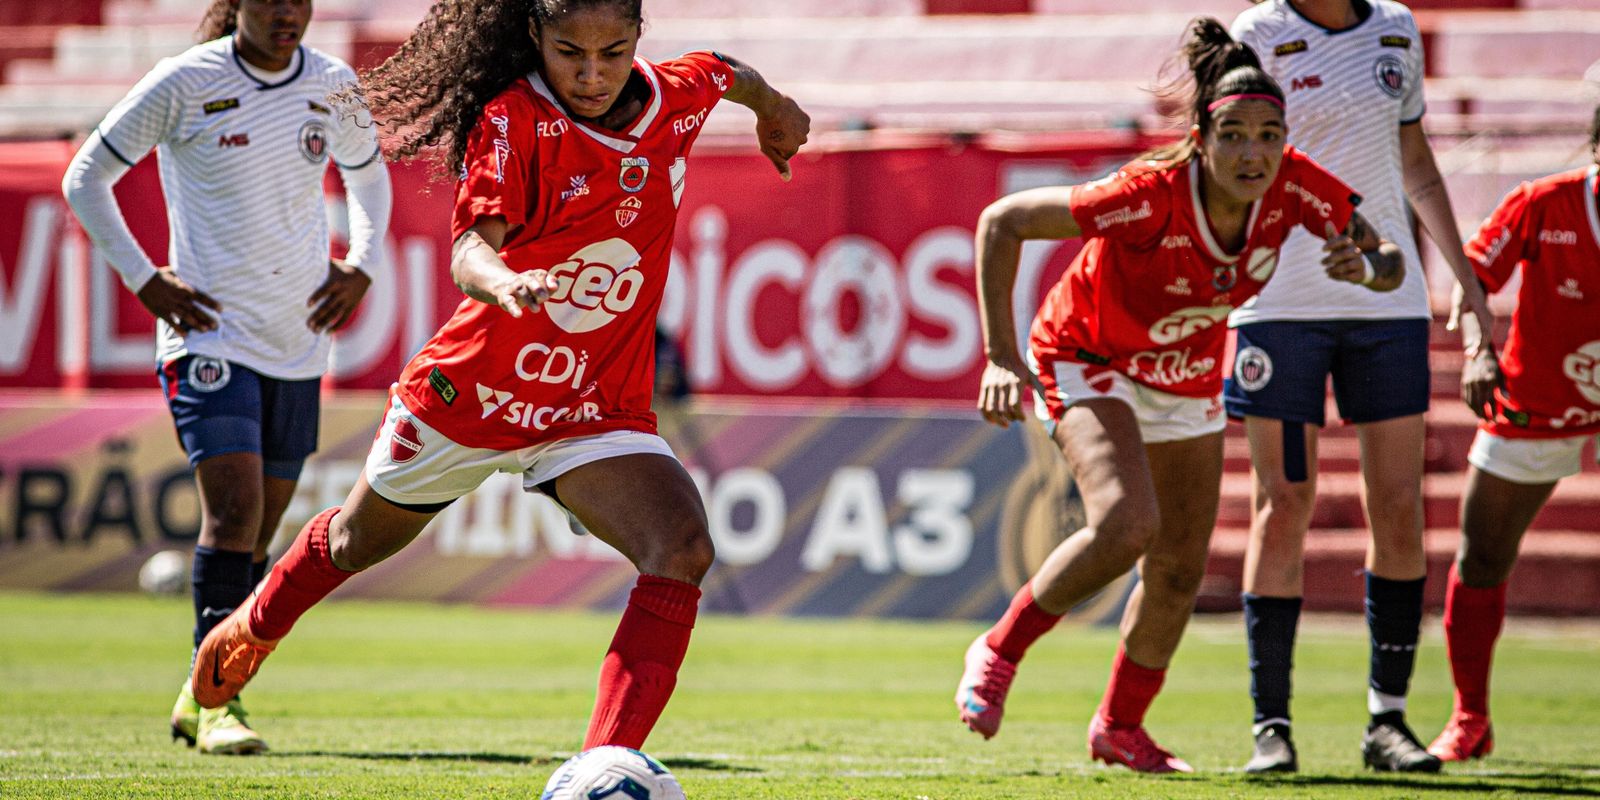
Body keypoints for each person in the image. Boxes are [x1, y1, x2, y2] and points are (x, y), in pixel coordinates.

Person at [185, 0, 809, 753]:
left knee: (682, 548)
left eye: (612, 52)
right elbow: (469, 249)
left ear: (638, 37)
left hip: (589, 404)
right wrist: (504, 281)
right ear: (536, 39)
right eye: (568, 51)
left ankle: (602, 767)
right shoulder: (514, 119)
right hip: (473, 396)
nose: (590, 73)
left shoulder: (678, 93)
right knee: (352, 543)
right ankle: (237, 642)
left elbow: (729, 76)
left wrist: (776, 110)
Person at [955, 16, 1403, 774]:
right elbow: (1003, 222)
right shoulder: (1146, 194)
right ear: (1201, 138)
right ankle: (998, 651)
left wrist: (1367, 269)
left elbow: (1388, 259)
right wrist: (1000, 358)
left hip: (1185, 371)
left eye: (1269, 133)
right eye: (1233, 134)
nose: (1253, 152)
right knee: (1129, 524)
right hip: (1086, 353)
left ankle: (1118, 727)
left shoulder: (1298, 186)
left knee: (1179, 567)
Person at [60, 0, 391, 755]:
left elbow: (370, 181)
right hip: (208, 335)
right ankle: (221, 705)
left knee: (258, 537)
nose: (288, 13)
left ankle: (196, 689)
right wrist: (145, 280)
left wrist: (363, 265)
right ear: (236, 4)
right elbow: (88, 177)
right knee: (234, 513)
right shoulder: (184, 82)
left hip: (298, 340)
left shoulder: (334, 84)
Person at [1223, 0, 1503, 774]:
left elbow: (1415, 164)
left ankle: (1388, 720)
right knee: (1283, 506)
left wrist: (1468, 289)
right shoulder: (1258, 34)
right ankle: (1270, 727)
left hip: (1388, 302)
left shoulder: (1396, 27)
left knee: (1399, 505)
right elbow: (1224, 164)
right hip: (1281, 304)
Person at [1425, 108, 1600, 763]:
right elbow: (1471, 281)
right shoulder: (1544, 203)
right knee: (1482, 554)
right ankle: (1470, 718)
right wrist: (1478, 350)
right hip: (1537, 397)